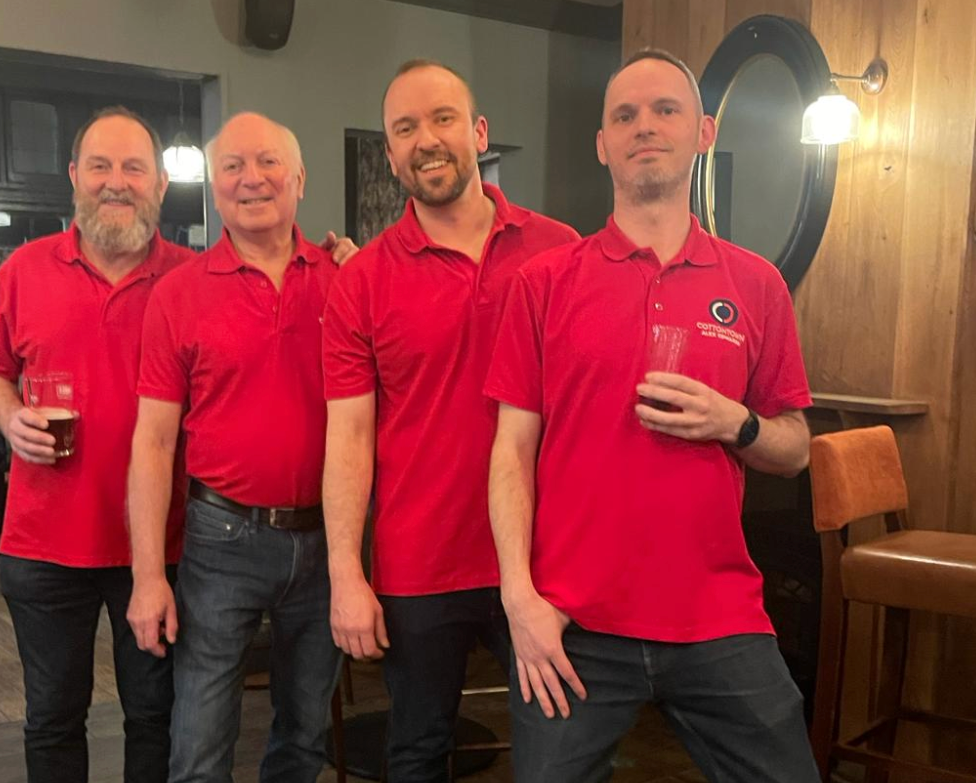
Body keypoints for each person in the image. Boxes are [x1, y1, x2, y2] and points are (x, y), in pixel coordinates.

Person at [484, 49, 820, 782]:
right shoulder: (544, 283)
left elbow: (794, 447)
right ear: (602, 144)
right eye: (624, 115)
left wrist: (736, 423)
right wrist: (520, 601)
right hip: (570, 624)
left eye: (664, 110)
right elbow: (510, 450)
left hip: (717, 616)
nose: (645, 126)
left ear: (702, 132)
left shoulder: (756, 285)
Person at [321, 60, 579, 781]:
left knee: (561, 751)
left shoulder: (560, 252)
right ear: (390, 152)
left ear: (479, 132)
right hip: (419, 560)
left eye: (441, 119)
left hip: (542, 558)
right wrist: (347, 570)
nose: (425, 140)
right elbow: (348, 438)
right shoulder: (363, 280)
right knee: (416, 751)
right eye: (404, 128)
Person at [0, 106, 192, 783]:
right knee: (52, 717)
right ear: (74, 177)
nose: (115, 182)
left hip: (158, 545)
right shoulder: (23, 269)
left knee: (155, 716)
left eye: (133, 167)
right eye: (100, 166)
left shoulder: (192, 278)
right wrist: (10, 417)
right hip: (42, 542)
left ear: (159, 183)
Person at [127, 111, 345, 783]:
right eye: (232, 167)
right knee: (199, 743)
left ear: (300, 178)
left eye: (269, 162)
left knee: (305, 735)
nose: (252, 179)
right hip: (220, 540)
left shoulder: (347, 283)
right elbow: (154, 441)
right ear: (214, 189)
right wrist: (146, 576)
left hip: (327, 540)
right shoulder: (178, 294)